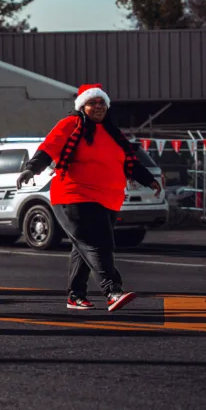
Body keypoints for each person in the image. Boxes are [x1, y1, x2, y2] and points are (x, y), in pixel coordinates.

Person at [16, 84, 162, 312]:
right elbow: (50, 147)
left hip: (108, 199)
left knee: (83, 247)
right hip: (74, 195)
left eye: (101, 103)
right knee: (97, 244)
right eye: (92, 103)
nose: (98, 107)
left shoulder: (113, 132)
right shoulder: (71, 124)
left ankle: (75, 296)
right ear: (82, 106)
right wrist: (31, 169)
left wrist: (148, 180)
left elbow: (129, 162)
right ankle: (112, 291)